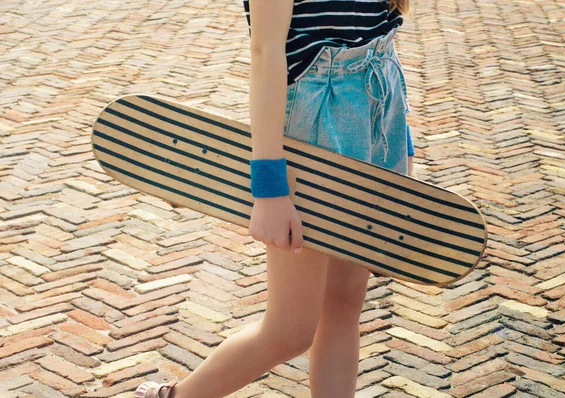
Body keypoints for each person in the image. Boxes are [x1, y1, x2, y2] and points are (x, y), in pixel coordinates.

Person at [135, 0, 414, 397]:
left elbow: (380, 45)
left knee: (345, 304)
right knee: (290, 331)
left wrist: (396, 147)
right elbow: (266, 53)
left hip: (375, 120)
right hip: (313, 129)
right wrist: (269, 189)